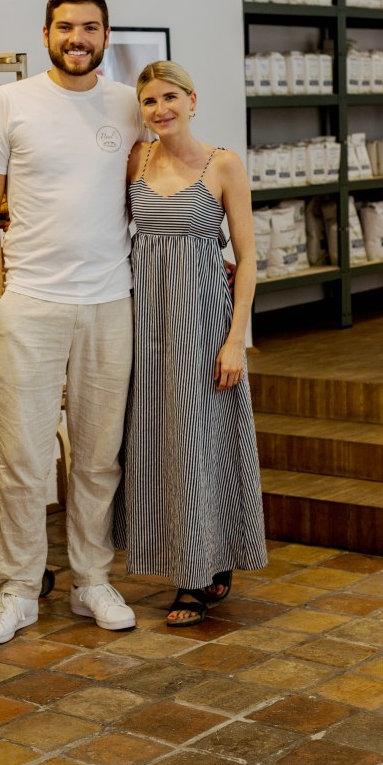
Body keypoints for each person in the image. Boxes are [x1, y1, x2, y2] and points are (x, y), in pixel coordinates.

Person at [0, 0, 142, 645]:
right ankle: (17, 589)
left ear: (105, 36)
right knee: (22, 457)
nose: (78, 38)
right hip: (31, 305)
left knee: (99, 456)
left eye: (91, 28)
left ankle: (92, 580)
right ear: (46, 34)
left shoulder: (129, 105)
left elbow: (150, 193)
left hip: (108, 302)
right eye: (66, 27)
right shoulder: (10, 102)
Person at [114, 59, 268, 627]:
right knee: (159, 442)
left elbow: (248, 258)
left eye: (171, 97)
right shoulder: (135, 160)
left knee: (205, 441)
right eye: (150, 101)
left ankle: (197, 574)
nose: (162, 109)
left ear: (193, 100)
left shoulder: (223, 164)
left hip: (206, 322)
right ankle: (195, 559)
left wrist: (236, 341)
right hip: (146, 322)